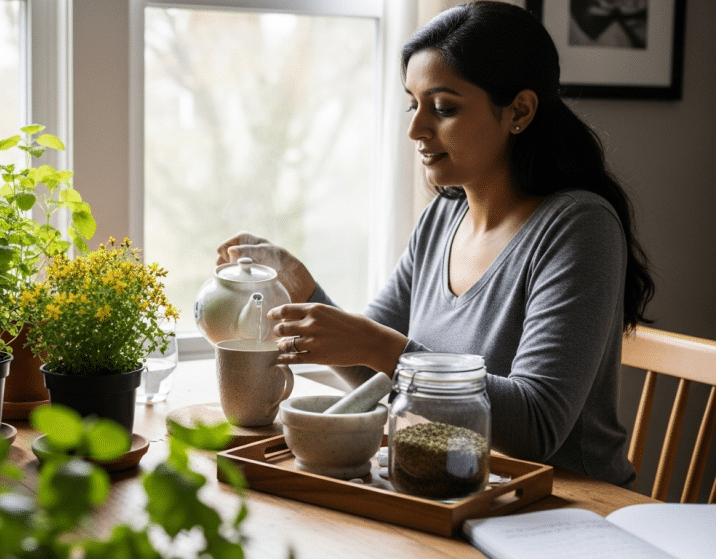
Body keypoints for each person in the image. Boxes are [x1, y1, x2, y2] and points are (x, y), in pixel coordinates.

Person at [215, 1, 654, 488]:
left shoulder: (578, 227)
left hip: (568, 507)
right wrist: (305, 289)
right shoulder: (442, 218)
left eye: (443, 108)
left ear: (520, 111)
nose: (415, 128)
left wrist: (382, 346)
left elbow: (536, 428)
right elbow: (377, 374)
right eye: (413, 103)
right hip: (453, 485)